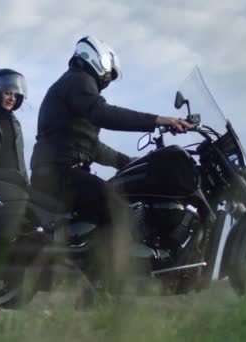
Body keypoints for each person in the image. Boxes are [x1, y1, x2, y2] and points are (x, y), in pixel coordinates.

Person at [29, 36, 194, 287]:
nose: (108, 79)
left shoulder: (75, 88)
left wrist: (126, 161)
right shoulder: (78, 80)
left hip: (60, 171)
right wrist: (159, 120)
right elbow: (104, 114)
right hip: (59, 174)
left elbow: (90, 147)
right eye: (110, 72)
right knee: (119, 211)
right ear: (97, 58)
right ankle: (105, 284)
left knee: (118, 198)